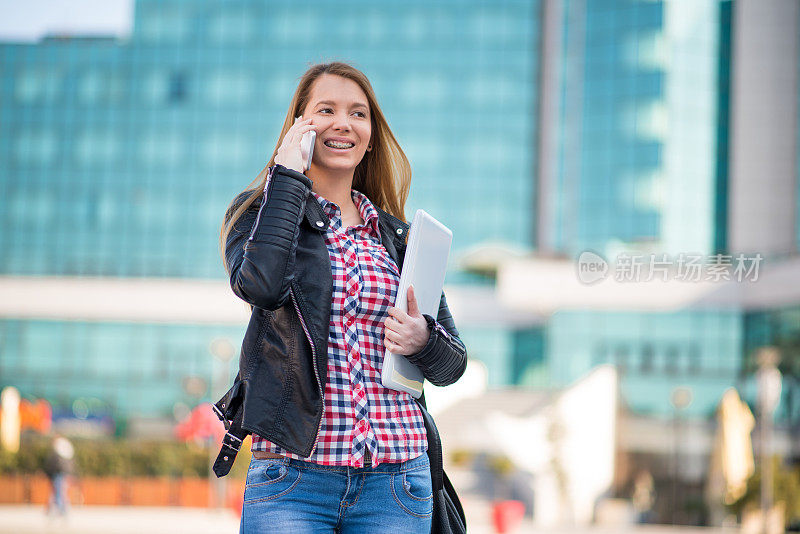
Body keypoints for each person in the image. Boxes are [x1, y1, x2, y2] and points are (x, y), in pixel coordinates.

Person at [214, 61, 468, 533]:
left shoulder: (399, 239)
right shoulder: (258, 215)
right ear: (299, 125)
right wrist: (288, 177)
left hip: (396, 481)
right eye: (325, 110)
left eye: (358, 113)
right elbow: (261, 287)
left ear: (370, 133)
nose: (342, 123)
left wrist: (422, 339)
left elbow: (453, 364)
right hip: (292, 479)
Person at [44, 435, 74, 516]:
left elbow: (54, 465)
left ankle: (61, 511)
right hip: (61, 474)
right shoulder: (65, 453)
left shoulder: (59, 453)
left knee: (58, 493)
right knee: (59, 492)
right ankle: (58, 510)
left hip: (58, 474)